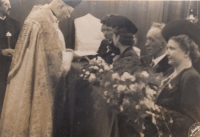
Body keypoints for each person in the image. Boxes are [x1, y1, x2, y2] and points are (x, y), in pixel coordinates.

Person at [0, 0, 81, 136]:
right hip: (38, 78)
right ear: (61, 7)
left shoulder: (37, 14)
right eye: (69, 12)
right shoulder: (46, 24)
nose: (68, 17)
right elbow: (55, 67)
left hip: (25, 73)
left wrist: (62, 50)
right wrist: (70, 56)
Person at [144, 19, 200, 137]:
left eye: (172, 49)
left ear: (186, 51)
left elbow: (194, 124)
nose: (167, 53)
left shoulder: (190, 77)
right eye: (167, 48)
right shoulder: (170, 72)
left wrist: (159, 115)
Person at [0, 0, 20, 115]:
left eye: (10, 4)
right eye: (6, 4)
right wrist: (2, 52)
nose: (10, 7)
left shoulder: (15, 24)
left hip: (11, 68)